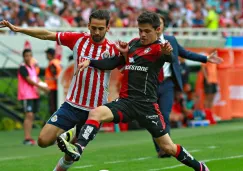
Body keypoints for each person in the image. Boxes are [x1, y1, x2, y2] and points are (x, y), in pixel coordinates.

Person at [57, 11, 210, 171]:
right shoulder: (134, 44)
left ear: (158, 30)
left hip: (147, 107)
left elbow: (169, 58)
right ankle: (78, 148)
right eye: (140, 30)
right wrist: (90, 62)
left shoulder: (159, 49)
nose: (142, 34)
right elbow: (113, 62)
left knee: (168, 147)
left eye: (147, 31)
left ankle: (200, 167)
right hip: (126, 102)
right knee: (96, 113)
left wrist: (168, 52)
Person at [0, 9, 120, 171]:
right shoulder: (78, 40)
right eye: (93, 28)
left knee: (72, 154)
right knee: (43, 140)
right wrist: (18, 29)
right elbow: (47, 34)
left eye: (100, 28)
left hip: (94, 111)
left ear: (108, 28)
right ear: (88, 26)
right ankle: (69, 133)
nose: (96, 32)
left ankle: (66, 146)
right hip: (72, 105)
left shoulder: (115, 49)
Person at [153, 15, 223, 158]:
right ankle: (160, 147)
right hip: (151, 84)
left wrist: (206, 58)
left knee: (165, 116)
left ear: (163, 26)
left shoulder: (171, 40)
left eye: (160, 23)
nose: (157, 26)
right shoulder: (145, 42)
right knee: (153, 118)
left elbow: (185, 53)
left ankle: (166, 148)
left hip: (167, 84)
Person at [18, 49, 49, 145]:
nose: (28, 57)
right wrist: (41, 87)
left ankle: (29, 137)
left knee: (32, 116)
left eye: (30, 55)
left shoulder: (32, 67)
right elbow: (29, 80)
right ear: (23, 57)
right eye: (26, 55)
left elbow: (36, 79)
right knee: (29, 115)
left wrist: (44, 86)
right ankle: (27, 138)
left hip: (34, 94)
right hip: (26, 95)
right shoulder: (22, 67)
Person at [44, 48, 62, 116]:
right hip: (58, 88)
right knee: (56, 108)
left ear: (49, 55)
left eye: (47, 54)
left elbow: (55, 76)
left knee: (53, 109)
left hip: (53, 88)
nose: (46, 56)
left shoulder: (52, 64)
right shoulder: (58, 62)